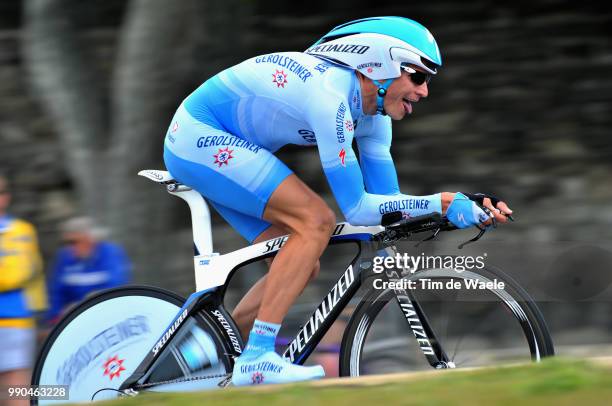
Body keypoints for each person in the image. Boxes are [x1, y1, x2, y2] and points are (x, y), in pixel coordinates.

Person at [162, 16, 513, 386]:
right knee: (316, 223)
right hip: (200, 137)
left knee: (299, 262)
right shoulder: (331, 99)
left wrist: (462, 209)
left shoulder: (375, 117)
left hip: (222, 146)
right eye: (418, 77)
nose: (424, 91)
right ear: (380, 66)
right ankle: (258, 358)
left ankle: (199, 353)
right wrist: (441, 202)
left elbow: (387, 207)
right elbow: (358, 209)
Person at [0, 172, 46, 405]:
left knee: (16, 389)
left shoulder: (21, 231)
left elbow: (20, 273)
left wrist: (42, 315)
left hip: (15, 319)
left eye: (2, 192)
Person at [46, 217, 131, 325]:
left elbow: (116, 286)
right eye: (66, 243)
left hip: (106, 314)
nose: (70, 247)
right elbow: (56, 292)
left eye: (74, 242)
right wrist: (54, 319)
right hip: (72, 319)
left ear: (90, 238)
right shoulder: (64, 257)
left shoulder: (110, 253)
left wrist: (82, 305)